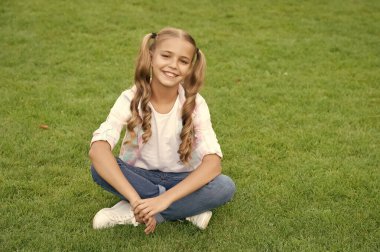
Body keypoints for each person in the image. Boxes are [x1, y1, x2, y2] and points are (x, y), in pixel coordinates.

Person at [89, 27, 236, 235]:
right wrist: (134, 197)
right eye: (166, 56)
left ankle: (135, 212)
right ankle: (187, 209)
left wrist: (163, 201)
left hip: (182, 178)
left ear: (190, 67)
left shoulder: (195, 104)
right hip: (139, 177)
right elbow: (98, 150)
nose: (173, 66)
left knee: (224, 186)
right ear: (151, 57)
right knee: (99, 168)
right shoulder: (131, 98)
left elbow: (213, 164)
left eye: (183, 61)